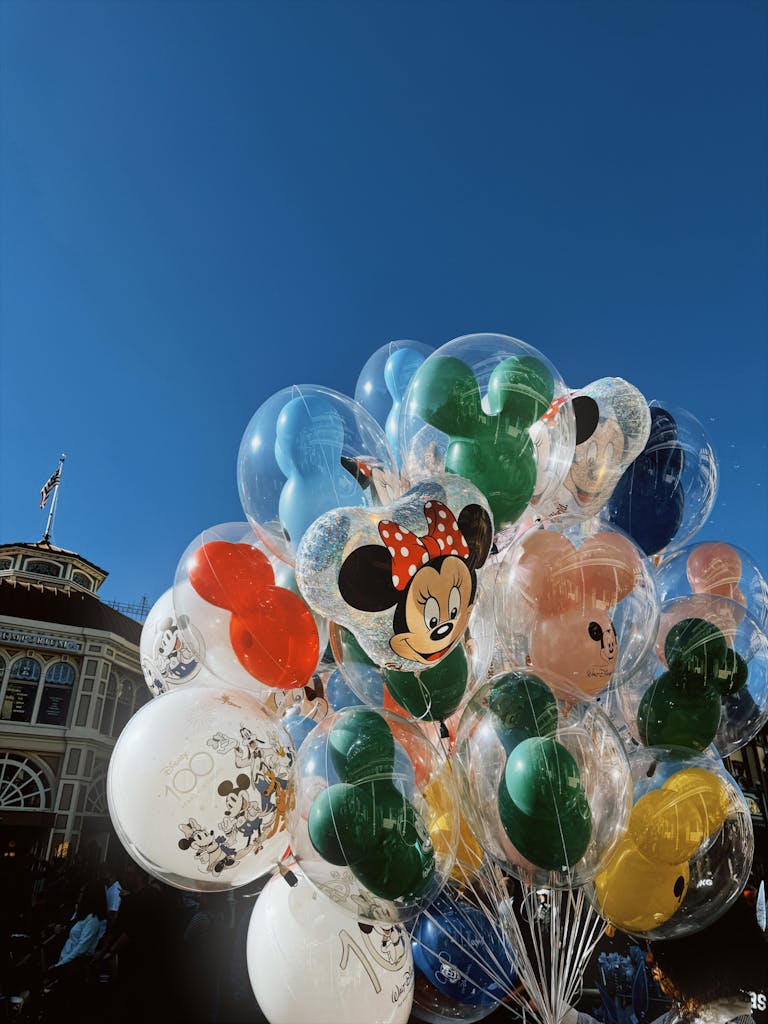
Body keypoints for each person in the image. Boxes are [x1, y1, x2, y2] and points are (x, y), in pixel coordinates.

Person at [566, 895, 768, 1024]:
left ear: (693, 961)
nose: (649, 959)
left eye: (662, 954)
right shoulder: (683, 1016)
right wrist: (569, 1017)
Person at [42, 881, 108, 1017]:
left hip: (74, 968)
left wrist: (60, 965)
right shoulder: (82, 915)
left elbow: (81, 948)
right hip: (66, 963)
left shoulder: (93, 919)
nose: (80, 895)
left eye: (83, 893)